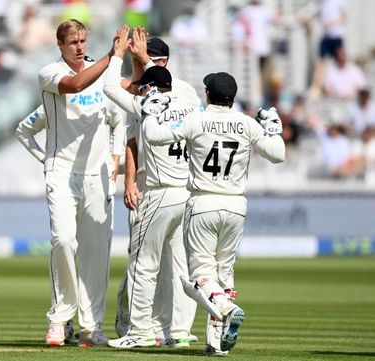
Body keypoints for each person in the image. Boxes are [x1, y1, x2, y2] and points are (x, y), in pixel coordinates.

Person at [141, 71, 286, 355]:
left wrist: (149, 114)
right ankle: (217, 344)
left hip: (203, 202)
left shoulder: (196, 120)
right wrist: (273, 128)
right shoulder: (246, 124)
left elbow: (154, 137)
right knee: (223, 273)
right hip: (236, 206)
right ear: (232, 97)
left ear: (208, 94)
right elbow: (278, 154)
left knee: (196, 279)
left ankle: (226, 308)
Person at [31, 19, 126, 347]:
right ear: (61, 45)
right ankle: (59, 320)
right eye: (73, 42)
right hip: (61, 171)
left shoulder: (104, 73)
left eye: (84, 40)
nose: (80, 47)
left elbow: (119, 115)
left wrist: (115, 157)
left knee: (97, 253)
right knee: (64, 240)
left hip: (97, 174)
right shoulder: (50, 72)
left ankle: (90, 326)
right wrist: (110, 57)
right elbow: (74, 85)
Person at [104, 26, 199, 349]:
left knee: (144, 265)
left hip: (160, 191)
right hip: (178, 191)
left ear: (164, 63)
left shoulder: (151, 101)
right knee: (176, 265)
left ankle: (141, 330)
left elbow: (111, 87)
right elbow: (131, 141)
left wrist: (123, 57)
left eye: (153, 62)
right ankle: (179, 331)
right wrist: (128, 181)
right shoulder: (187, 98)